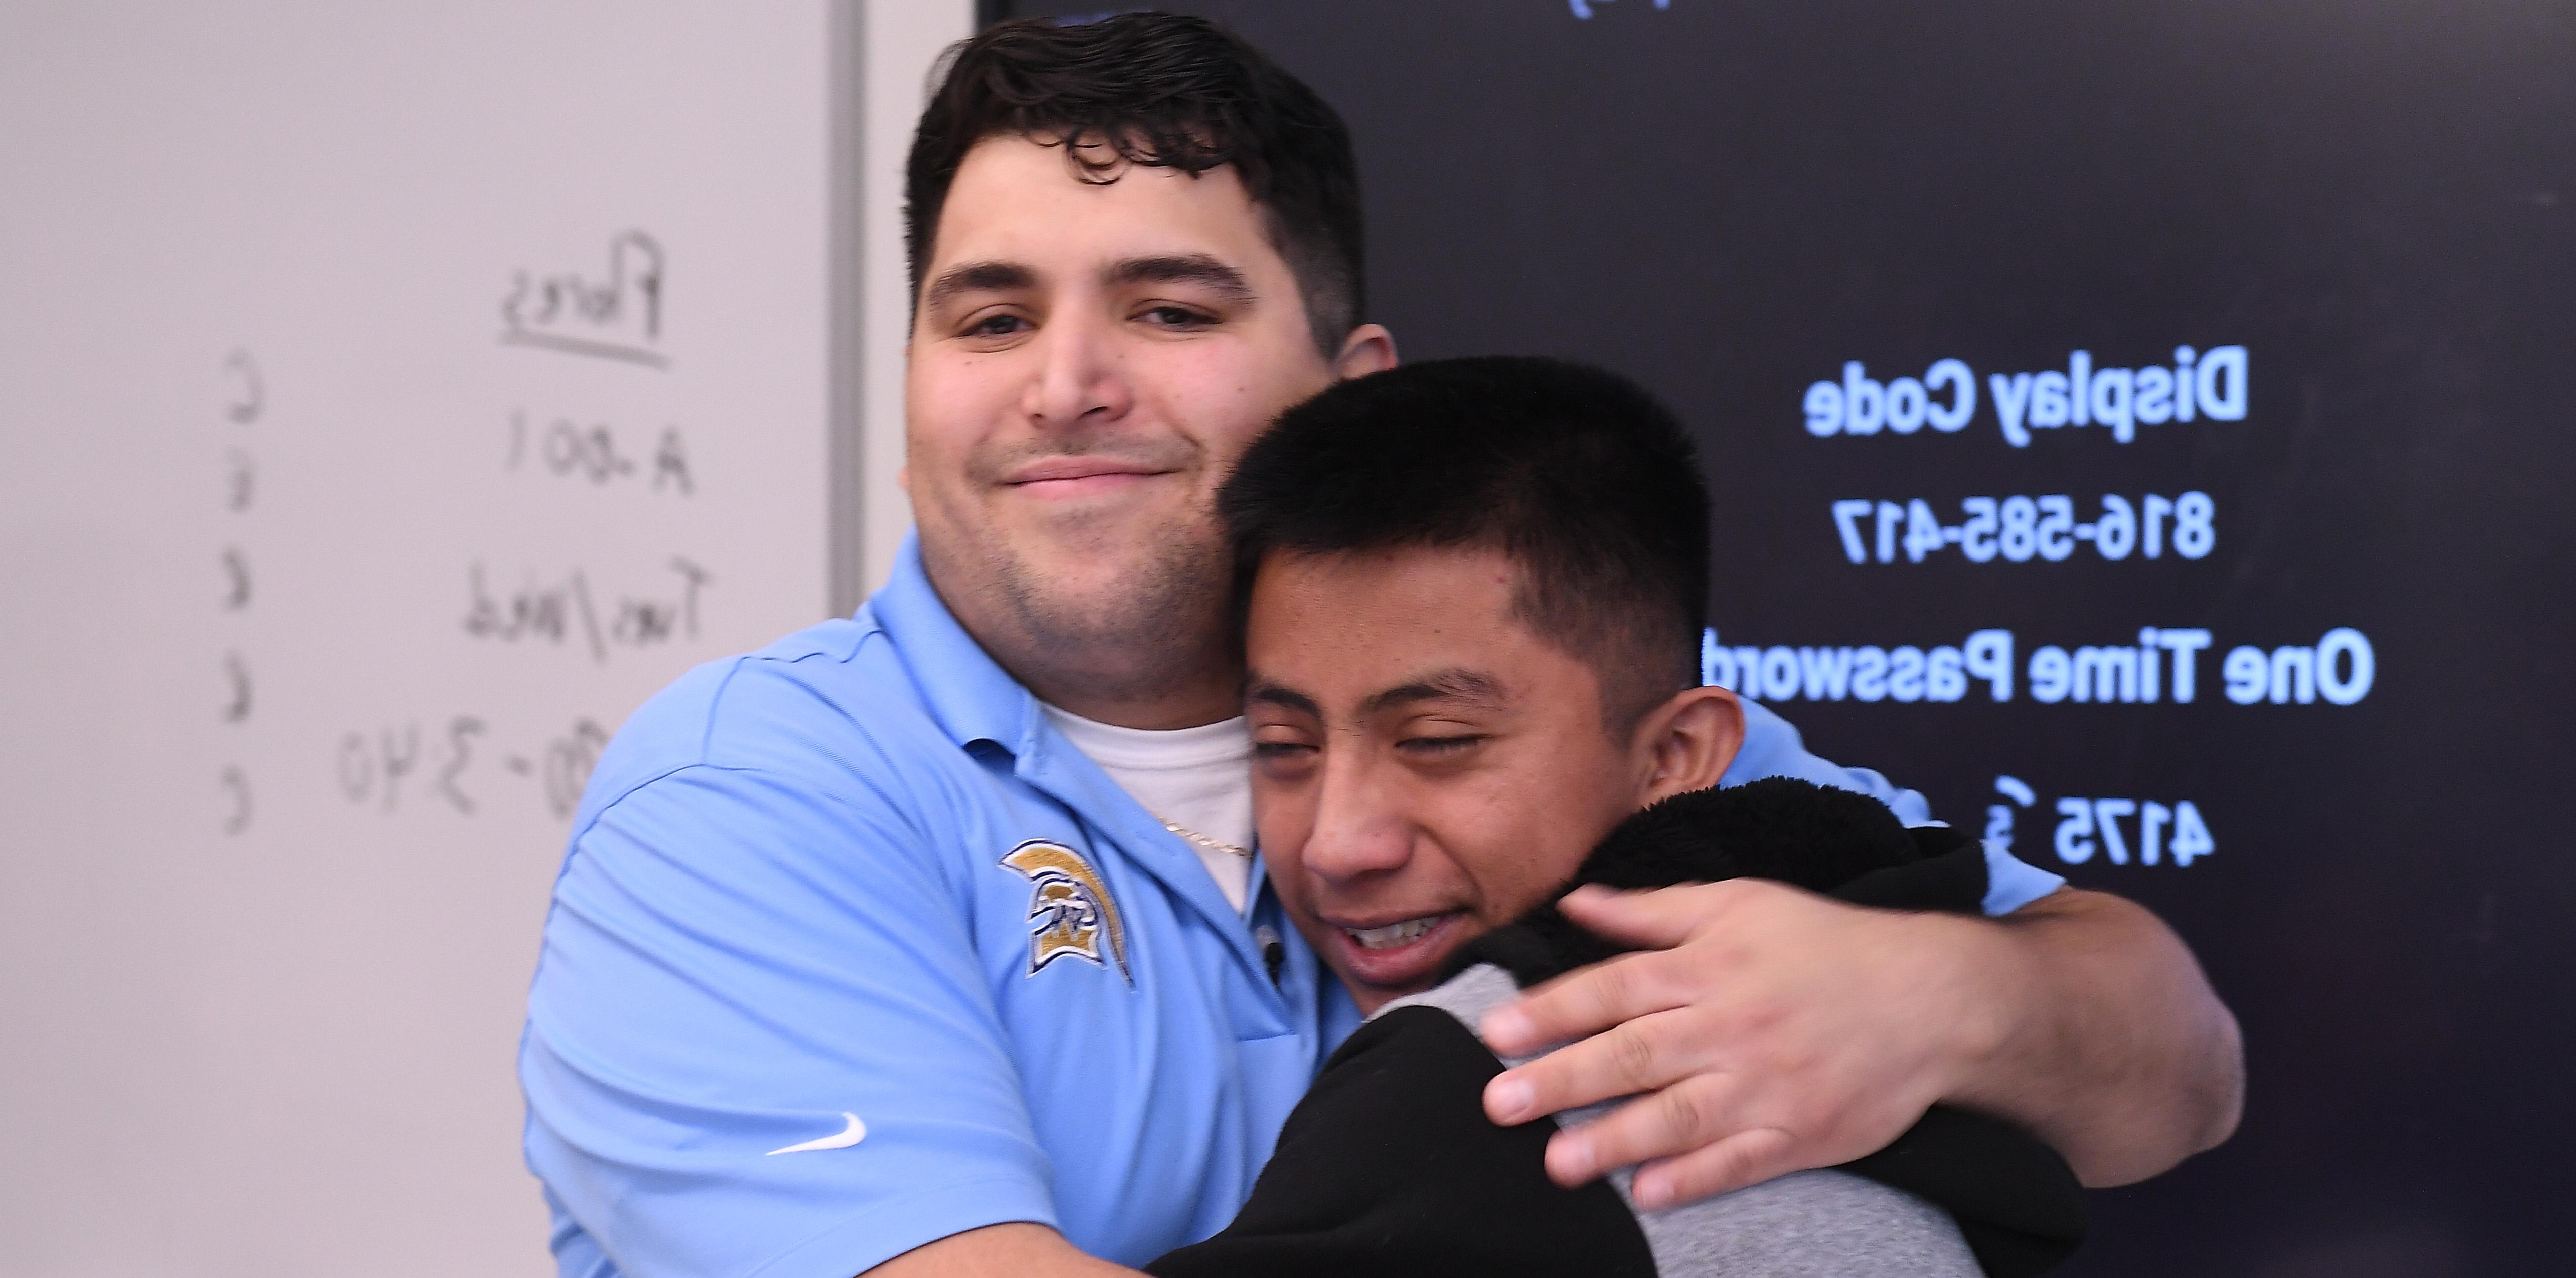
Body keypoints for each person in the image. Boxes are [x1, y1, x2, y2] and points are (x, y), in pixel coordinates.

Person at [519, 15, 2242, 1278]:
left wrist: (1944, 997)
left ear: (1352, 391)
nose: (1064, 387)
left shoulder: (1619, 743)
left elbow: (2181, 1075)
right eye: (992, 316)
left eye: (1169, 308)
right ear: (911, 397)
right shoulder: (753, 800)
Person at [1147, 356, 2088, 1278]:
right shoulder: (1881, 913)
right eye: (1283, 746)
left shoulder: (1478, 1075)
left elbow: (2191, 1062)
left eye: (1435, 740)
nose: (1337, 843)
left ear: (1675, 759)